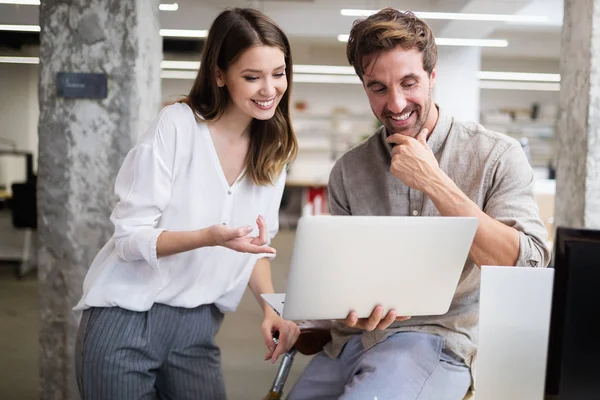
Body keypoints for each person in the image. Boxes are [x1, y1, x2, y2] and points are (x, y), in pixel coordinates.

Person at [288, 8, 551, 400]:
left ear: (432, 76)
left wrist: (434, 182)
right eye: (378, 88)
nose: (395, 104)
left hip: (438, 342)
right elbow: (345, 280)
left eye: (409, 83)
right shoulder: (349, 170)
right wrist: (343, 308)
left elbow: (530, 265)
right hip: (352, 342)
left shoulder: (496, 155)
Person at [73, 8, 300, 400]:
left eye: (278, 73)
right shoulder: (178, 126)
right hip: (126, 320)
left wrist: (271, 307)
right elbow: (130, 239)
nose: (269, 89)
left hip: (198, 330)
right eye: (252, 77)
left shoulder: (273, 152)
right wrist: (208, 237)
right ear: (219, 75)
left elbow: (255, 250)